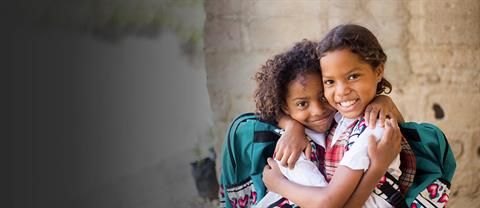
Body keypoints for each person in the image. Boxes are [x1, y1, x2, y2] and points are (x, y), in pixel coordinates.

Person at [263, 24, 408, 207]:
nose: (341, 91)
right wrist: (293, 126)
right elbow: (271, 111)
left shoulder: (372, 128)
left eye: (353, 76)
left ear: (378, 71)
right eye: (330, 82)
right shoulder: (340, 120)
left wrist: (277, 184)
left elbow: (328, 204)